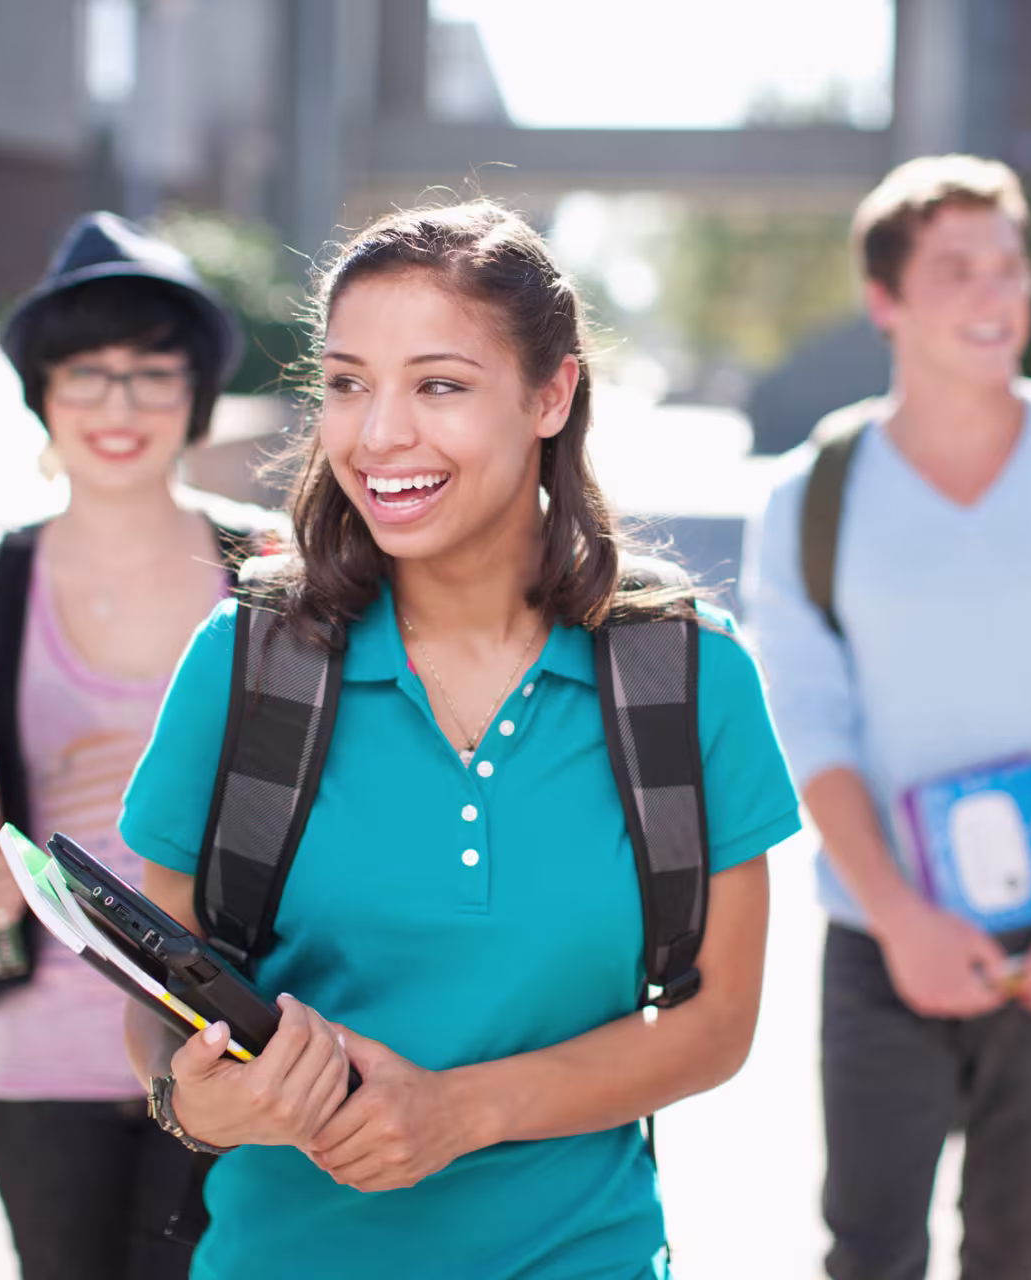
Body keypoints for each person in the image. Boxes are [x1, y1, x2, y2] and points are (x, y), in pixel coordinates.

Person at [116, 200, 802, 1279]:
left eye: (438, 384)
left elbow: (717, 1020)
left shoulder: (689, 676)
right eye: (347, 382)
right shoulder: (244, 663)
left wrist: (456, 1111)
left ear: (551, 393)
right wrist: (196, 1098)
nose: (379, 433)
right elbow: (161, 1003)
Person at [744, 155, 1031, 1280]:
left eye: (1011, 266)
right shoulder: (813, 492)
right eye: (957, 269)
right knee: (870, 1247)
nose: (996, 294)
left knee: (1016, 1247)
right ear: (887, 300)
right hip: (881, 939)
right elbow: (810, 720)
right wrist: (900, 913)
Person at [0, 211, 266, 1280]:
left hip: (230, 1045)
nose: (120, 406)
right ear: (43, 397)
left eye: (154, 374)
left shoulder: (271, 570)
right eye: (87, 374)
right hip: (39, 1059)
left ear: (195, 396)